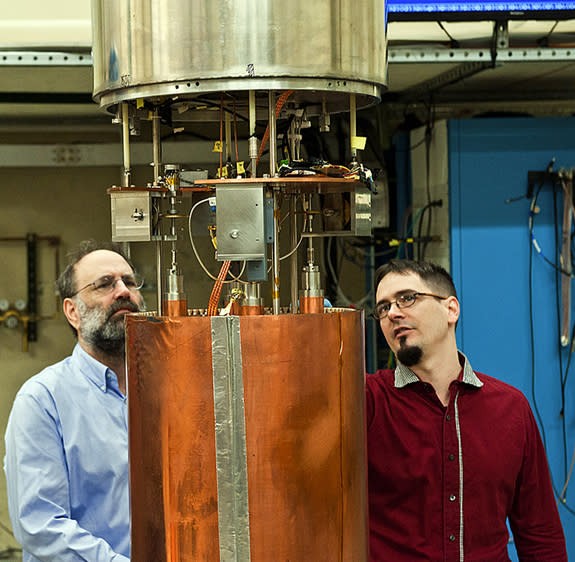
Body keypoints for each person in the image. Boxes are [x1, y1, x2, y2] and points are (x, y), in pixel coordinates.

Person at [367, 258, 567, 561]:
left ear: (451, 309)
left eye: (407, 298)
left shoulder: (511, 409)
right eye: (383, 308)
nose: (392, 313)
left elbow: (540, 534)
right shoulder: (366, 401)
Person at [4, 240, 145, 561]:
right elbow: (40, 525)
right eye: (105, 284)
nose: (123, 291)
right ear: (72, 312)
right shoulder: (42, 400)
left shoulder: (164, 388)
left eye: (130, 282)